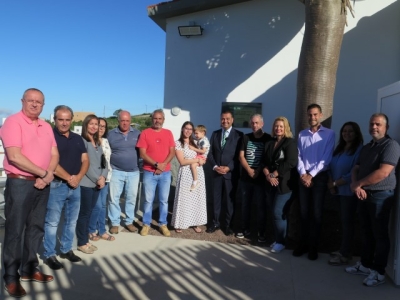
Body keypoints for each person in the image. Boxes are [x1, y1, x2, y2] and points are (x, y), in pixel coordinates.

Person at [1, 88, 59, 298]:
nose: (35, 104)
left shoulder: (46, 126)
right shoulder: (13, 122)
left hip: (42, 183)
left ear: (43, 105)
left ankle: (29, 269)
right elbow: (15, 156)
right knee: (15, 231)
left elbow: (54, 152)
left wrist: (47, 175)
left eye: (39, 102)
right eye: (31, 100)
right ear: (22, 101)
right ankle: (10, 277)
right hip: (20, 183)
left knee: (36, 228)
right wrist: (44, 173)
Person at [346, 113, 400, 287]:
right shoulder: (368, 147)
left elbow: (383, 172)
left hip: (381, 195)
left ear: (386, 127)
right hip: (363, 194)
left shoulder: (390, 145)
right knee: (366, 232)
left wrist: (358, 185)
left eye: (378, 124)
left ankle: (379, 272)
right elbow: (356, 168)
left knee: (380, 235)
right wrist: (356, 184)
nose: (374, 127)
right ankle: (366, 265)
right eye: (371, 124)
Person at [43, 105, 89, 270]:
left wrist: (78, 178)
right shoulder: (50, 137)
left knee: (71, 221)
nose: (64, 123)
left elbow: (85, 160)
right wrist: (70, 178)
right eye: (60, 119)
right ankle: (49, 254)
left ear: (71, 120)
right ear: (54, 119)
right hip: (57, 186)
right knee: (52, 222)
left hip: (75, 186)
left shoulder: (77, 138)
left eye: (67, 119)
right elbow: (51, 163)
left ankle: (66, 249)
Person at [294, 103, 335, 260]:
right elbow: (299, 156)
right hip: (303, 177)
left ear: (321, 115)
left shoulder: (329, 134)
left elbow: (327, 158)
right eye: (310, 115)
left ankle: (313, 247)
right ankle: (302, 244)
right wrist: (304, 174)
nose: (312, 117)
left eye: (315, 114)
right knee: (304, 213)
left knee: (317, 214)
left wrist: (311, 175)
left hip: (319, 177)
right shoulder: (302, 134)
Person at [327, 122, 363, 266]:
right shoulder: (340, 148)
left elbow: (353, 172)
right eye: (344, 131)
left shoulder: (358, 150)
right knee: (342, 222)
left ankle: (345, 254)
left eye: (350, 131)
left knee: (348, 224)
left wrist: (335, 184)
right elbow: (330, 165)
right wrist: (331, 184)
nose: (347, 134)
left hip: (347, 192)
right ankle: (343, 249)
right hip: (336, 191)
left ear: (356, 133)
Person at [137, 109, 175, 237]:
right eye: (155, 118)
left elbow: (172, 152)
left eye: (160, 118)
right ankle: (146, 224)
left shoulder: (168, 133)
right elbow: (142, 153)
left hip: (165, 173)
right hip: (149, 172)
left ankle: (162, 224)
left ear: (163, 120)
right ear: (152, 119)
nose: (157, 121)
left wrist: (162, 166)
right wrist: (156, 165)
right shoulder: (145, 133)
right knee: (148, 200)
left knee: (164, 200)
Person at [263, 117, 297, 253]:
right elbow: (264, 162)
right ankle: (278, 239)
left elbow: (291, 162)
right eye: (276, 126)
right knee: (274, 212)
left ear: (286, 128)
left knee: (278, 213)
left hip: (284, 185)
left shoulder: (290, 143)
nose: (278, 128)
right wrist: (267, 175)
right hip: (270, 183)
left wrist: (274, 174)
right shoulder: (269, 143)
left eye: (281, 126)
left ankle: (281, 242)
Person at [207, 110, 243, 236]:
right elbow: (210, 153)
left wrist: (229, 167)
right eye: (223, 119)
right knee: (216, 200)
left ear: (232, 120)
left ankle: (228, 225)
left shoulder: (239, 135)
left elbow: (239, 156)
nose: (225, 121)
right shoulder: (215, 134)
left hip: (230, 174)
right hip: (216, 173)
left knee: (229, 201)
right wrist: (215, 166)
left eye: (228, 119)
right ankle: (215, 222)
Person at [236, 114, 271, 242]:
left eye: (257, 123)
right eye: (252, 123)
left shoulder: (268, 139)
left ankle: (261, 232)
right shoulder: (246, 137)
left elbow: (267, 157)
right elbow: (241, 156)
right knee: (245, 205)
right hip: (246, 178)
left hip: (261, 179)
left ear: (262, 124)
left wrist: (258, 171)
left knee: (261, 206)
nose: (254, 125)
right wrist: (249, 170)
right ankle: (245, 229)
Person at [76, 115, 108, 254]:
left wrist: (103, 177)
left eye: (97, 124)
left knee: (89, 213)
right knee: (84, 214)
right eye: (91, 124)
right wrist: (97, 178)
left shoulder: (97, 142)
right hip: (87, 184)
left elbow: (104, 162)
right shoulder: (83, 142)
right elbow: (86, 165)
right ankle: (82, 242)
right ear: (86, 125)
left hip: (97, 183)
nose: (94, 127)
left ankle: (86, 240)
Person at [107, 110, 140, 234]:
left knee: (131, 198)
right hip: (116, 171)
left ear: (130, 121)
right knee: (113, 198)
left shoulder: (138, 134)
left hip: (134, 172)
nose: (125, 123)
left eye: (127, 121)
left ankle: (129, 221)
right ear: (118, 121)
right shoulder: (111, 135)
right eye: (122, 120)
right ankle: (114, 223)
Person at [171, 121, 207, 232]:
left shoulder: (196, 142)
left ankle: (195, 222)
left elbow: (204, 154)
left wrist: (203, 161)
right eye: (186, 128)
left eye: (190, 129)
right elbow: (182, 161)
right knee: (184, 198)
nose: (188, 131)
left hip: (198, 173)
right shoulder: (178, 143)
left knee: (196, 199)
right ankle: (180, 222)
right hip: (186, 174)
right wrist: (197, 160)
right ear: (182, 129)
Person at [88, 118, 115, 241]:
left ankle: (102, 230)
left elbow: (106, 160)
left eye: (104, 126)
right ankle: (91, 230)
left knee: (103, 205)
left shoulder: (105, 141)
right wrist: (99, 177)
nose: (101, 128)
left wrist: (105, 176)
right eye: (99, 125)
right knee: (96, 206)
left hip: (107, 178)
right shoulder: (90, 142)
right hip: (95, 179)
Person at [189, 125, 210, 191]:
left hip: (202, 157)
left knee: (193, 165)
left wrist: (194, 149)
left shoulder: (203, 141)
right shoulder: (201, 140)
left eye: (197, 133)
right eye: (195, 133)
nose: (195, 135)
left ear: (203, 133)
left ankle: (195, 181)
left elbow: (203, 151)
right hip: (200, 156)